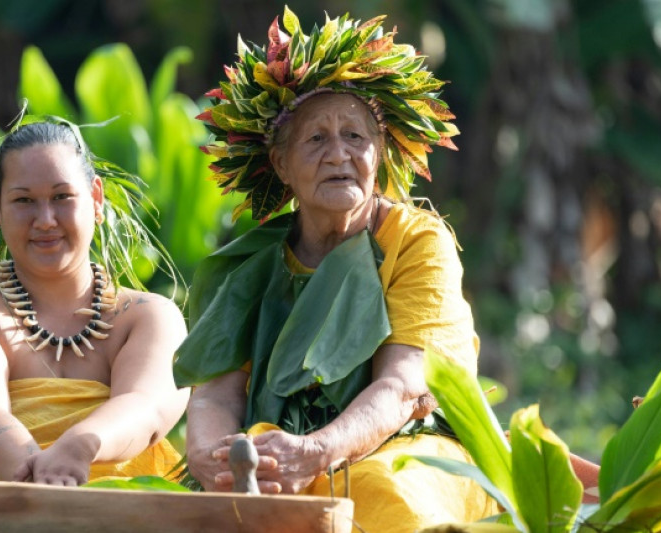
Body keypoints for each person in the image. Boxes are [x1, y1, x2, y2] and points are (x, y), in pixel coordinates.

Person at [173, 9, 499, 532]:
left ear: (381, 153)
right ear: (280, 164)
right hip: (279, 453)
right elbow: (215, 392)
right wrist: (212, 459)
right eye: (316, 139)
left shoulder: (415, 242)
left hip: (413, 448)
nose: (339, 154)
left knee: (378, 493)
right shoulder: (254, 260)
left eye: (355, 136)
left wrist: (316, 451)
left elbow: (403, 387)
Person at [0, 120, 189, 533]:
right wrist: (33, 481)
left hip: (121, 514)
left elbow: (147, 406)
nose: (45, 220)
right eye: (24, 201)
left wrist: (78, 449)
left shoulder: (148, 316)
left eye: (62, 197)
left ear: (96, 199)